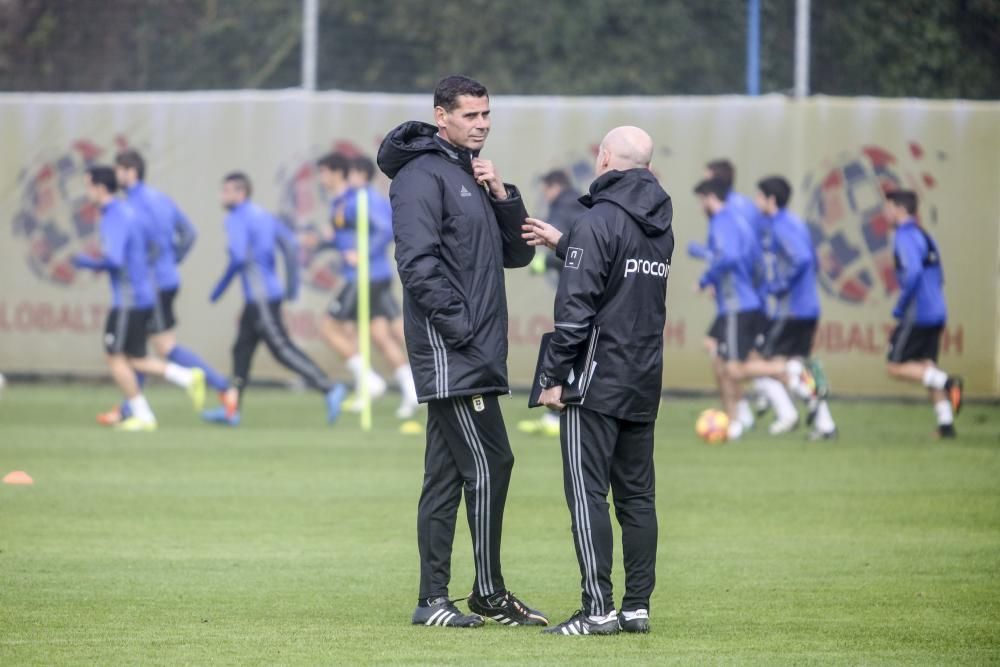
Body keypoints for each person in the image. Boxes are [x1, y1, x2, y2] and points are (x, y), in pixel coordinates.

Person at [376, 74, 547, 628]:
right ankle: (489, 594)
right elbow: (416, 263)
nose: (482, 124)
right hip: (453, 349)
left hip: (472, 346)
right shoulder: (421, 176)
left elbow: (515, 256)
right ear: (440, 115)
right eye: (471, 115)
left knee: (446, 476)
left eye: (486, 115)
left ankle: (432, 602)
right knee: (494, 462)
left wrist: (503, 195)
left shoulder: (468, 174)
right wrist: (462, 327)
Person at [523, 126, 673, 636]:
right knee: (637, 498)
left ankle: (597, 611)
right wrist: (566, 244)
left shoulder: (597, 220)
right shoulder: (660, 225)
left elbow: (575, 313)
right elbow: (621, 282)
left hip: (592, 381)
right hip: (642, 377)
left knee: (587, 496)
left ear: (605, 158)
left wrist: (551, 379)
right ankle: (636, 608)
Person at [91, 150, 234, 425]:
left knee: (153, 349)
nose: (116, 176)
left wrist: (149, 265)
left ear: (130, 172)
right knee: (141, 348)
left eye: (119, 170)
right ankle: (132, 408)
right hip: (166, 280)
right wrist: (172, 260)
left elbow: (148, 244)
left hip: (150, 285)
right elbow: (189, 233)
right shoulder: (159, 198)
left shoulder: (133, 205)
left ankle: (219, 386)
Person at [205, 172, 347, 425]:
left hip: (260, 298)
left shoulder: (236, 217)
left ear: (241, 193)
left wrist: (220, 287)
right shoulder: (263, 215)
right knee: (241, 351)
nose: (221, 196)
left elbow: (238, 257)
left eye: (226, 191)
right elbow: (291, 246)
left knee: (281, 349)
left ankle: (329, 387)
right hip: (263, 296)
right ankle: (232, 409)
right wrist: (291, 286)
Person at [72, 166, 203, 431]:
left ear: (100, 187)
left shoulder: (113, 216)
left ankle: (147, 411)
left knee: (115, 356)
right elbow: (154, 245)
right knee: (133, 357)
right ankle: (184, 378)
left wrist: (86, 262)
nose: (87, 193)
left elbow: (115, 259)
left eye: (88, 186)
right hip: (144, 293)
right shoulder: (129, 211)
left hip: (129, 299)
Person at [729, 177, 838, 439]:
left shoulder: (783, 226)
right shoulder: (789, 223)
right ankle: (824, 424)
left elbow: (802, 258)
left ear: (771, 200)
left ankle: (799, 398)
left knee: (763, 364)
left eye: (759, 198)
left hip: (793, 310)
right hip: (804, 308)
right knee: (774, 364)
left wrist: (778, 285)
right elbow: (813, 260)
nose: (756, 203)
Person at [314, 153, 419, 418]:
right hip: (369, 274)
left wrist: (362, 252)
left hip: (365, 275)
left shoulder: (363, 198)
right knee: (380, 334)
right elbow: (346, 236)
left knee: (330, 326)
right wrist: (324, 242)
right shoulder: (343, 201)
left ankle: (369, 382)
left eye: (325, 172)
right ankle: (410, 390)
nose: (321, 178)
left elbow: (385, 229)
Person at [884, 190, 963, 437]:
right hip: (937, 310)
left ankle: (949, 383)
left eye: (887, 207)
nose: (884, 213)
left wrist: (901, 306)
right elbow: (938, 275)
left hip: (917, 313)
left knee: (895, 366)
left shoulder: (904, 236)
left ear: (899, 209)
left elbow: (914, 273)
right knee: (928, 368)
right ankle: (946, 424)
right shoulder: (925, 235)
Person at [518, 168, 588, 438]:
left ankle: (554, 414)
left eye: (545, 189)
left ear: (554, 186)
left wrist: (542, 261)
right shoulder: (582, 204)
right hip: (589, 289)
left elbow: (562, 247)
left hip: (575, 291)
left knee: (566, 341)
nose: (544, 195)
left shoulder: (562, 206)